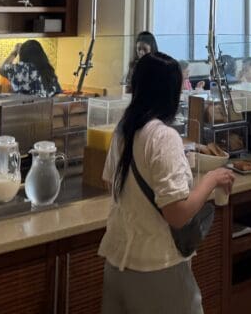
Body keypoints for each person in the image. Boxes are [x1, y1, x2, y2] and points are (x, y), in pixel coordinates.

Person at [99, 51, 235, 314]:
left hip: (117, 264)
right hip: (157, 267)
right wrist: (211, 179)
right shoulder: (163, 137)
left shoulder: (123, 130)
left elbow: (111, 185)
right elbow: (177, 214)